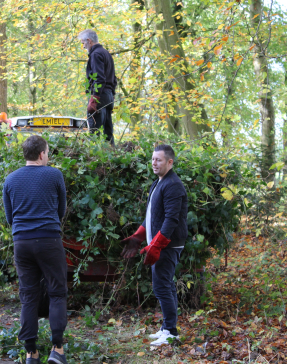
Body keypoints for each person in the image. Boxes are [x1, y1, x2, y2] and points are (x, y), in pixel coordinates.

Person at [2, 135, 68, 364]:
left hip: (22, 242)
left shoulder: (10, 179)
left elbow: (10, 217)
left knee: (28, 296)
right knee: (57, 292)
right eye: (47, 152)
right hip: (49, 240)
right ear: (41, 154)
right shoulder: (54, 175)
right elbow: (61, 210)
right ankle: (57, 349)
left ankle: (31, 353)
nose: (47, 156)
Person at [120, 144, 188, 346]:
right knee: (166, 286)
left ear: (170, 162)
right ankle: (167, 328)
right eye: (152, 159)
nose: (154, 163)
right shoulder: (159, 183)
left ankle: (171, 332)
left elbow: (171, 219)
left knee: (161, 287)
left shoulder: (173, 185)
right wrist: (138, 237)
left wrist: (157, 245)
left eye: (158, 160)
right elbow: (152, 216)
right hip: (160, 243)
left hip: (168, 245)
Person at [78, 29, 117, 145]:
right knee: (107, 132)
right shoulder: (106, 53)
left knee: (95, 132)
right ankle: (112, 152)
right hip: (108, 96)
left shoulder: (96, 54)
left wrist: (94, 98)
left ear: (89, 41)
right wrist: (112, 95)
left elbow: (99, 78)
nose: (83, 46)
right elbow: (114, 78)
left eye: (83, 43)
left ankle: (95, 155)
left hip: (100, 96)